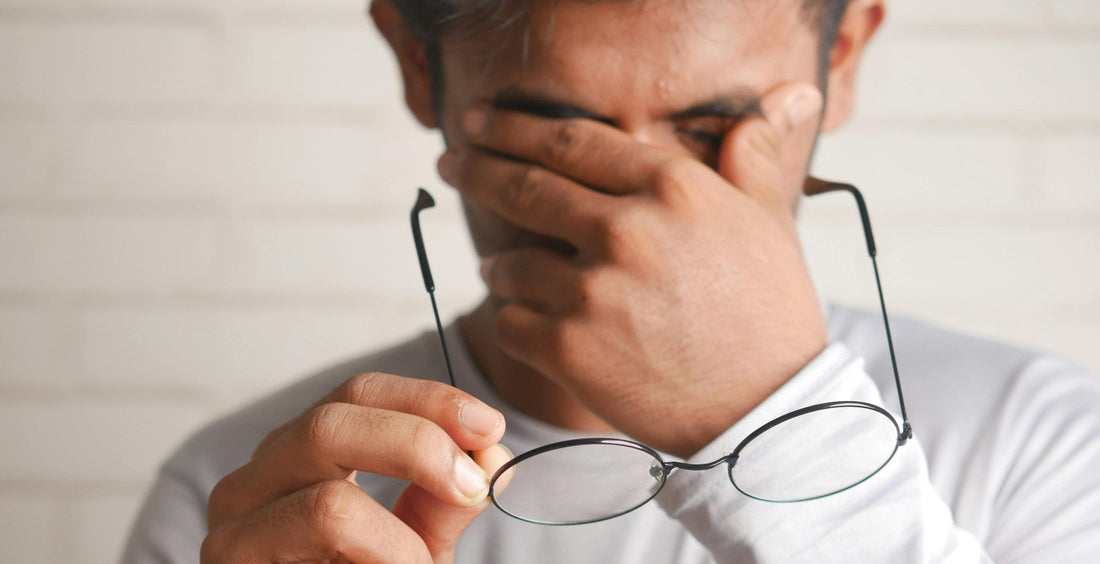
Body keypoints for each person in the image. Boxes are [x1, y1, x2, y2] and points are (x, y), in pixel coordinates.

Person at [122, 0, 1100, 562]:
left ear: (838, 58)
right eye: (558, 134)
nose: (634, 216)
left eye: (710, 131)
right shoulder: (254, 493)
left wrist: (771, 418)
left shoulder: (1040, 445)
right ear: (418, 67)